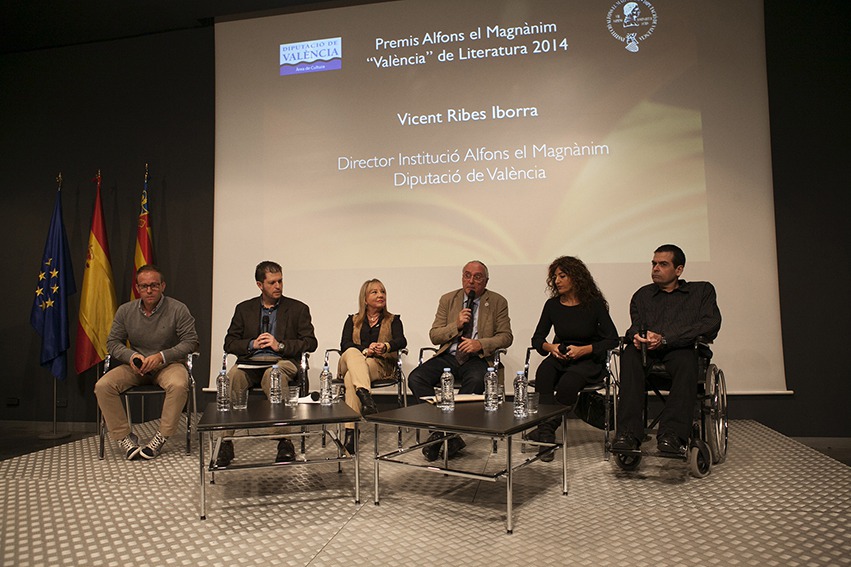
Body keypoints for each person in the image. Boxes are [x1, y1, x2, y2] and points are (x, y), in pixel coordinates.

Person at [612, 244, 722, 455]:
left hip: (681, 350)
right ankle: (628, 434)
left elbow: (710, 324)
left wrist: (666, 339)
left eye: (663, 264)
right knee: (629, 356)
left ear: (678, 270)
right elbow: (635, 325)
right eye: (654, 264)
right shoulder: (642, 295)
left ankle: (672, 435)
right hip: (647, 355)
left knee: (687, 359)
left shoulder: (701, 291)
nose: (655, 268)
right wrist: (637, 336)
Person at [408, 260, 513, 461]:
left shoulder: (498, 301)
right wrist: (455, 325)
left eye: (477, 277)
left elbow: (506, 336)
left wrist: (480, 344)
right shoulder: (448, 299)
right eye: (467, 275)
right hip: (449, 355)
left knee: (475, 381)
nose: (471, 281)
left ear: (486, 281)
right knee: (416, 378)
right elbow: (434, 335)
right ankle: (447, 433)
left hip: (477, 358)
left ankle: (440, 435)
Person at [217, 261, 318, 466]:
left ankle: (283, 441)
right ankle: (226, 441)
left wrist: (279, 345)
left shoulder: (298, 308)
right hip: (250, 362)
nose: (278, 286)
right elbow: (229, 343)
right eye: (272, 282)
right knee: (232, 377)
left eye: (280, 281)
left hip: (283, 361)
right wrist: (252, 344)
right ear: (259, 284)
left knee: (273, 375)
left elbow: (310, 343)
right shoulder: (244, 309)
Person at [95, 265, 199, 460]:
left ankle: (161, 436)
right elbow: (112, 342)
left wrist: (161, 356)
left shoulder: (178, 309)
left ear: (163, 286)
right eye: (144, 286)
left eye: (154, 285)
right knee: (103, 386)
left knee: (178, 384)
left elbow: (191, 342)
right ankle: (124, 437)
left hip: (167, 365)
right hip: (136, 366)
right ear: (137, 288)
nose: (149, 291)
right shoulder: (126, 310)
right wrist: (131, 357)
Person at [528, 256, 618, 461]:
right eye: (555, 277)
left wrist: (585, 350)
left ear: (576, 278)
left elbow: (612, 339)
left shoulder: (594, 305)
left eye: (562, 276)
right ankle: (546, 432)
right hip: (562, 354)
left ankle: (545, 432)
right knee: (544, 372)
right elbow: (537, 339)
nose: (557, 281)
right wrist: (551, 348)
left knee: (569, 382)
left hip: (588, 359)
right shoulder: (552, 305)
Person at [337, 279, 407, 454]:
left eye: (382, 291)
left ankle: (350, 434)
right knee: (353, 352)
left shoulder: (393, 320)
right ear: (365, 299)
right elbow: (344, 344)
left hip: (378, 365)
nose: (380, 295)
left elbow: (401, 341)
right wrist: (366, 349)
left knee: (350, 378)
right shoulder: (352, 320)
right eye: (374, 292)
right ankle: (366, 398)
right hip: (351, 360)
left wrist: (385, 346)